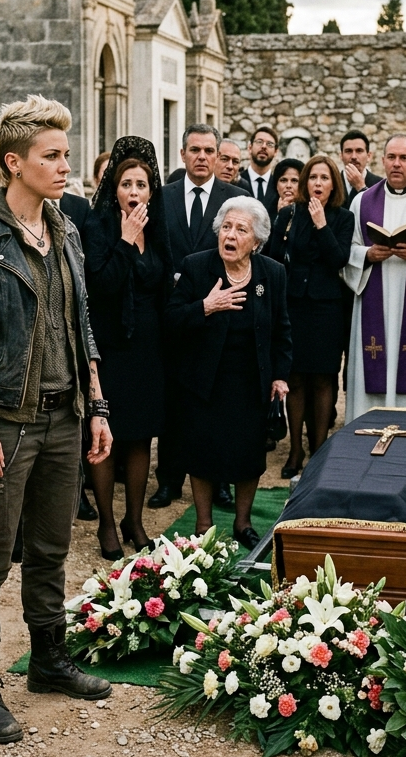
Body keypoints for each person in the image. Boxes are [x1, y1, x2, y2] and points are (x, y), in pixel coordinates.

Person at [0, 95, 113, 743]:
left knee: (50, 550)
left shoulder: (65, 228)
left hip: (65, 417)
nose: (66, 165)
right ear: (14, 162)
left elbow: (81, 322)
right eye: (52, 155)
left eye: (66, 154)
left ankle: (49, 662)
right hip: (5, 421)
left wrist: (96, 406)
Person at [166, 196, 291, 550]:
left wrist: (280, 376)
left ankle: (242, 523)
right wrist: (206, 306)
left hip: (251, 381)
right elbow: (171, 319)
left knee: (249, 456)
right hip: (205, 380)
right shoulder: (196, 267)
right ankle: (203, 523)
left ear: (257, 240)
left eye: (241, 229)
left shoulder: (272, 273)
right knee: (202, 453)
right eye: (226, 227)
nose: (230, 235)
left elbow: (282, 329)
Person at [85, 138, 172, 557]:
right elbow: (100, 286)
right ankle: (106, 523)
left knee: (140, 438)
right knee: (107, 438)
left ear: (151, 191)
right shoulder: (97, 226)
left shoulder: (156, 228)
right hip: (109, 349)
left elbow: (164, 285)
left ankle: (133, 520)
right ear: (113, 189)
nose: (134, 191)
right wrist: (124, 239)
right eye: (126, 184)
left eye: (141, 184)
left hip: (148, 351)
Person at [151, 125, 240, 510]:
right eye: (195, 150)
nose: (202, 157)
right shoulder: (163, 197)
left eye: (209, 151)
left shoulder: (234, 199)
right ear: (183, 154)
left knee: (217, 403)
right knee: (173, 402)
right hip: (174, 315)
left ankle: (219, 482)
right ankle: (169, 480)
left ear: (218, 156)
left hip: (220, 314)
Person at [267, 155, 353, 477]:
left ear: (334, 185)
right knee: (295, 378)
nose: (318, 183)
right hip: (294, 306)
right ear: (305, 182)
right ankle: (295, 450)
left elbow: (338, 260)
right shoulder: (289, 213)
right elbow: (274, 258)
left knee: (322, 378)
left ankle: (319, 450)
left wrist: (321, 224)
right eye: (313, 177)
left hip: (326, 308)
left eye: (324, 178)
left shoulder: (343, 218)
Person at [343, 134, 406, 421]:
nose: (397, 164)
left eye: (404, 158)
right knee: (373, 362)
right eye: (392, 157)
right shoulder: (361, 202)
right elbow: (347, 250)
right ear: (382, 160)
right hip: (373, 298)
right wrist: (367, 255)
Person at [339, 129, 383, 207]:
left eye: (359, 151)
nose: (354, 157)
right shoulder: (332, 183)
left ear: (369, 156)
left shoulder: (380, 185)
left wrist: (361, 187)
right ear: (341, 156)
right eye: (348, 151)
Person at [237, 126, 278, 201]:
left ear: (276, 151)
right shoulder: (237, 182)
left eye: (269, 144)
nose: (264, 146)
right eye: (259, 142)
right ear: (250, 147)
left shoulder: (278, 186)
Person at [266, 157, 304, 228]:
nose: (288, 186)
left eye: (294, 181)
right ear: (276, 184)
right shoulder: (267, 211)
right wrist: (280, 216)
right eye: (283, 180)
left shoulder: (311, 211)